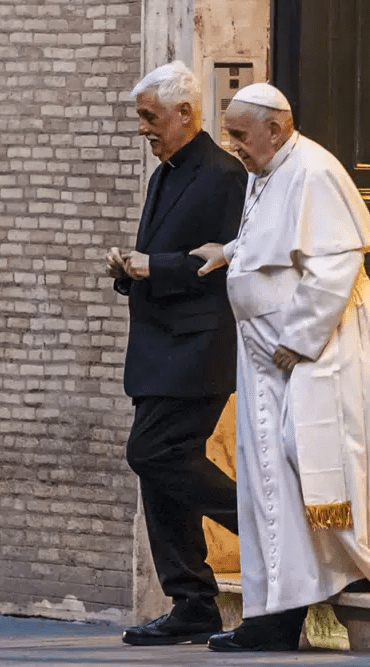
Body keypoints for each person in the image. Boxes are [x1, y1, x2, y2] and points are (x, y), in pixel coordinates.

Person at [189, 83, 370, 652]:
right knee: (268, 486)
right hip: (268, 361)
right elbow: (273, 236)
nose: (231, 145)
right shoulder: (268, 168)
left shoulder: (315, 171)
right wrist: (230, 252)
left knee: (307, 469)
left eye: (239, 134)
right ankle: (273, 614)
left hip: (317, 356)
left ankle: (340, 581)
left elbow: (335, 264)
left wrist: (298, 340)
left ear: (275, 129)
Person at [106, 61, 247, 646]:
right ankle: (191, 602)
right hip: (157, 349)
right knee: (159, 470)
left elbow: (235, 261)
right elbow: (163, 256)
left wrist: (154, 267)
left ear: (185, 113)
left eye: (150, 117)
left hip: (198, 349)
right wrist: (129, 269)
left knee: (153, 453)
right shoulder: (163, 173)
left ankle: (263, 528)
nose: (143, 128)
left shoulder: (224, 175)